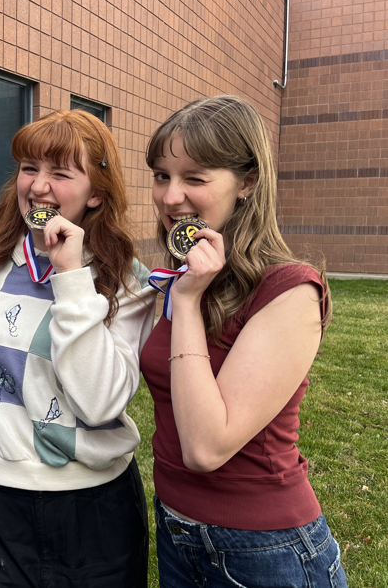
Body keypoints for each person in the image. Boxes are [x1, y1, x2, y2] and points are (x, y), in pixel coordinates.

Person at [140, 95, 348, 587]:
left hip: (264, 548)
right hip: (176, 530)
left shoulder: (290, 289)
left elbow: (207, 447)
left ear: (248, 182)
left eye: (194, 178)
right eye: (161, 175)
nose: (171, 197)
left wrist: (187, 304)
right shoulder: (187, 277)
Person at [0, 109, 157, 587]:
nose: (39, 186)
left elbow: (100, 401)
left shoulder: (129, 283)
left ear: (97, 195)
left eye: (61, 173)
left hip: (93, 506)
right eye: (30, 168)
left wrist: (69, 277)